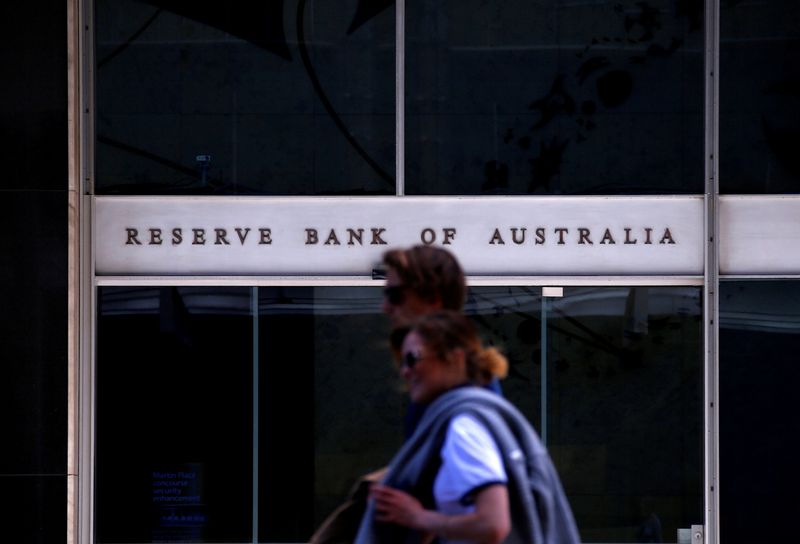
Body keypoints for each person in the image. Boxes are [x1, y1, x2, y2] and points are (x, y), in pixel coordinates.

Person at [356, 311, 580, 544]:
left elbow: (492, 524)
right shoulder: (481, 415)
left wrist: (418, 517)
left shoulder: (464, 425)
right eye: (402, 362)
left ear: (455, 357)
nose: (405, 371)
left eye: (413, 358)